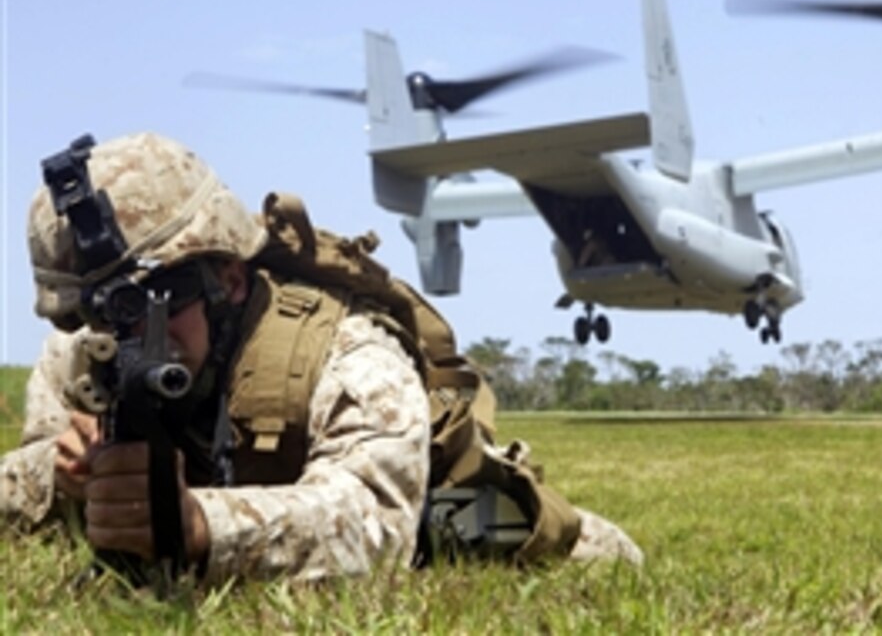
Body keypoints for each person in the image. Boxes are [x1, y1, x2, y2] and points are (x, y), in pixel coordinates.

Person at [0, 132, 642, 585]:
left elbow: (372, 524)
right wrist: (66, 474)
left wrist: (199, 526)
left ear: (225, 278)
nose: (119, 333)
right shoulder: (83, 354)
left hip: (446, 516)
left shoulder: (349, 349)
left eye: (152, 304)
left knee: (589, 554)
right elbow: (29, 472)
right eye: (96, 313)